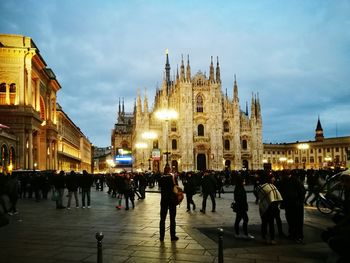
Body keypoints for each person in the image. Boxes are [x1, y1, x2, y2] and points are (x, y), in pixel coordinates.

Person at [279, 171, 306, 243]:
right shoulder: (295, 180)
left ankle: (296, 235)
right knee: (296, 221)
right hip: (295, 204)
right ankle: (296, 235)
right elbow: (303, 191)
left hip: (292, 204)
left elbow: (284, 194)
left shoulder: (286, 182)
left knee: (293, 220)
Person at [256, 174, 283, 245]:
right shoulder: (272, 186)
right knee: (271, 224)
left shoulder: (260, 187)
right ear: (269, 179)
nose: (274, 179)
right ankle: (272, 239)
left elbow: (257, 193)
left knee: (264, 223)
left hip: (263, 206)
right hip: (272, 208)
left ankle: (264, 237)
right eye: (273, 178)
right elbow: (277, 197)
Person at [159, 164, 178, 242]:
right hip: (172, 200)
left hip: (164, 200)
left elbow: (160, 187)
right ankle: (172, 236)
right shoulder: (172, 178)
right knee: (172, 219)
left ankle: (161, 236)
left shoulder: (161, 178)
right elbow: (176, 187)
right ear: (170, 170)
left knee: (162, 219)